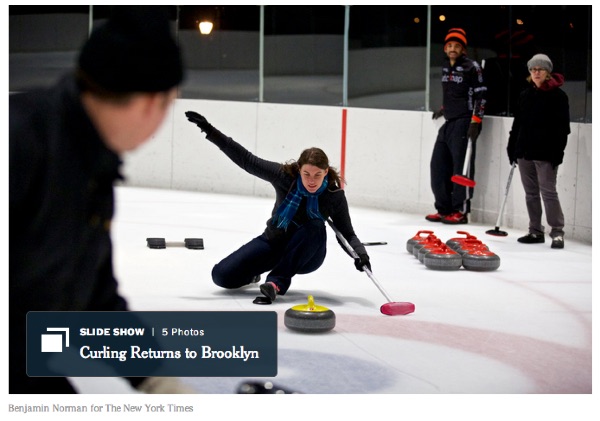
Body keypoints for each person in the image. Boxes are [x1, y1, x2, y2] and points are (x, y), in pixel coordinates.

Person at [9, 6, 192, 393]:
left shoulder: (89, 163)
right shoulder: (19, 145)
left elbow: (94, 296)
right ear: (149, 103)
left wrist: (151, 375)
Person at [185, 111, 371, 301]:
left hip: (308, 255)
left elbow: (347, 234)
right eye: (306, 174)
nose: (312, 180)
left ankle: (276, 283)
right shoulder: (284, 176)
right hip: (275, 241)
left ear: (326, 172)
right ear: (299, 169)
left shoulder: (334, 195)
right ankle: (255, 275)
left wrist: (361, 255)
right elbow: (247, 160)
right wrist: (209, 130)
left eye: (317, 175)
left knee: (315, 226)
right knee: (222, 276)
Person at [507, 54, 570, 249]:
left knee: (548, 192)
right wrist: (512, 148)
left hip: (546, 154)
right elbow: (517, 125)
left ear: (548, 73)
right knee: (531, 194)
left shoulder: (558, 97)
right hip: (524, 152)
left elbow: (562, 129)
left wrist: (557, 154)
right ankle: (535, 230)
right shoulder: (525, 95)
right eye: (533, 69)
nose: (536, 73)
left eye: (540, 69)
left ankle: (557, 231)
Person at [427, 28, 486, 225]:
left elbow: (480, 96)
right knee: (438, 166)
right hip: (448, 121)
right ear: (445, 48)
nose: (453, 49)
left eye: (457, 46)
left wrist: (476, 121)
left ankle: (460, 211)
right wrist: (443, 108)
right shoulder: (446, 66)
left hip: (464, 122)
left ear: (463, 49)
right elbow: (454, 93)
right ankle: (443, 208)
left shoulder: (472, 67)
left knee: (461, 168)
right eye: (450, 45)